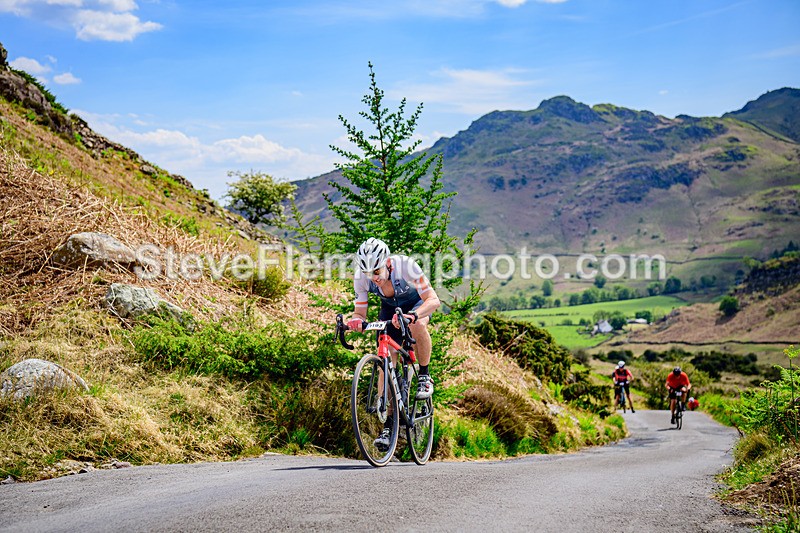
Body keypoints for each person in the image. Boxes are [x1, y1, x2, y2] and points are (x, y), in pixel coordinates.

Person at [347, 237, 441, 449]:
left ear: (387, 263)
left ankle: (424, 375)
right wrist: (356, 322)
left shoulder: (405, 266)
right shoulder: (362, 278)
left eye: (377, 272)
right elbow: (360, 313)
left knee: (418, 326)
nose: (374, 278)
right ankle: (389, 425)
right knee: (386, 358)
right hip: (390, 311)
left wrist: (413, 316)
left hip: (417, 305)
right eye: (368, 273)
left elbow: (433, 300)